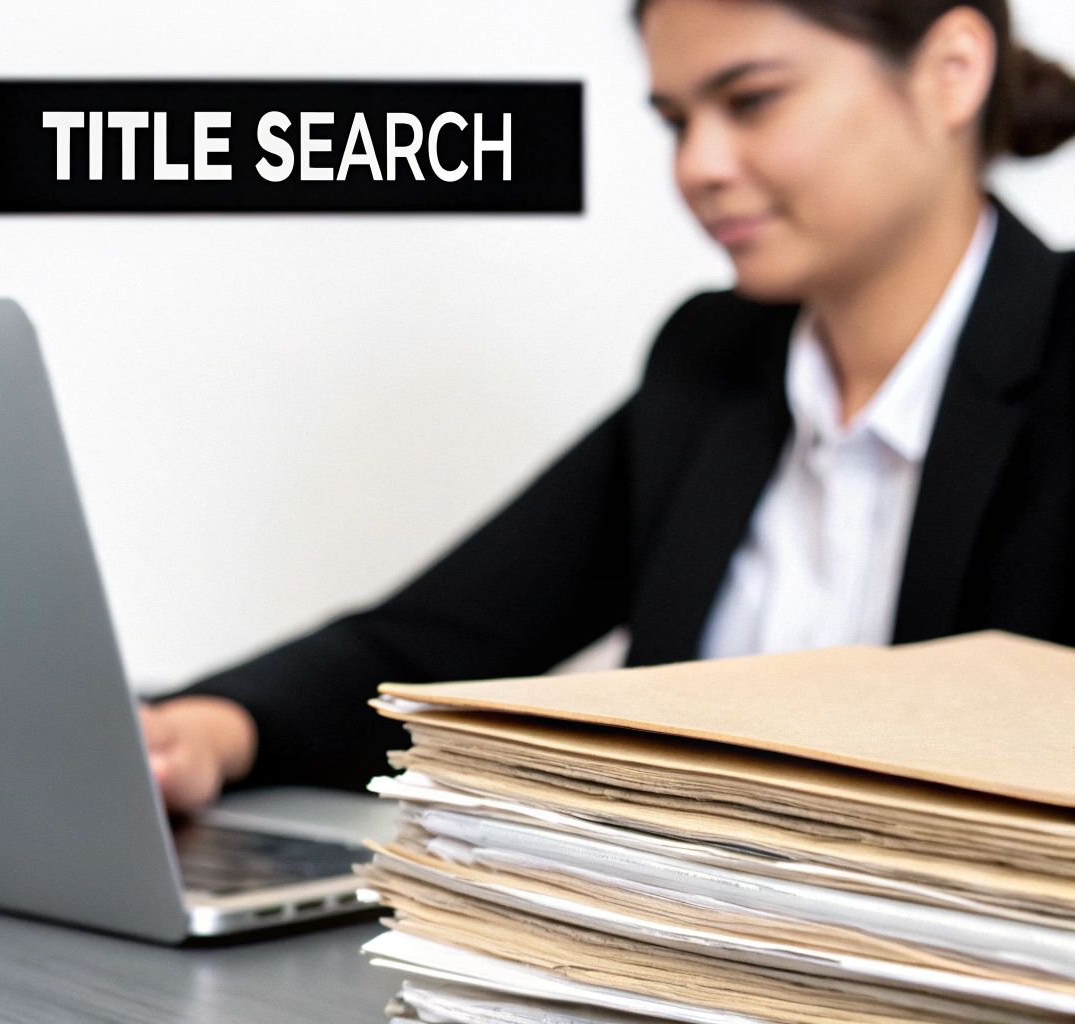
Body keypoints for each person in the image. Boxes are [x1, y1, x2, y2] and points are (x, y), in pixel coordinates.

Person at [142, 0, 1075, 815]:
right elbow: (445, 636)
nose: (698, 166)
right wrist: (216, 730)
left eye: (751, 101)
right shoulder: (715, 365)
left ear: (951, 75)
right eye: (676, 120)